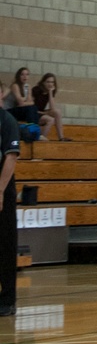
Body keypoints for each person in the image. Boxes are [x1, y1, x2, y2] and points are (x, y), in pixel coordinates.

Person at [0, 100, 20, 317]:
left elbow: (11, 157)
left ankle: (7, 299)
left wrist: (0, 191)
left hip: (3, 188)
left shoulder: (7, 121)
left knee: (5, 244)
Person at [2, 68, 44, 142]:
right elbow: (21, 102)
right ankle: (33, 131)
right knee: (30, 109)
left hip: (20, 109)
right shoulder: (15, 85)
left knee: (33, 108)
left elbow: (31, 102)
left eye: (27, 74)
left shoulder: (28, 86)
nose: (25, 77)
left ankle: (33, 131)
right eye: (22, 74)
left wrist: (26, 96)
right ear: (18, 76)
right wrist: (26, 101)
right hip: (9, 111)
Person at [32, 73, 65, 141]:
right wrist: (44, 113)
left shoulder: (51, 91)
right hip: (34, 113)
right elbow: (31, 107)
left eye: (52, 82)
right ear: (43, 82)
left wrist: (50, 92)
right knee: (51, 119)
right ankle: (41, 138)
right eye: (48, 82)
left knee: (57, 112)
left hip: (41, 112)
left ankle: (61, 137)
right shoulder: (36, 90)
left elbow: (52, 108)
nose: (50, 84)